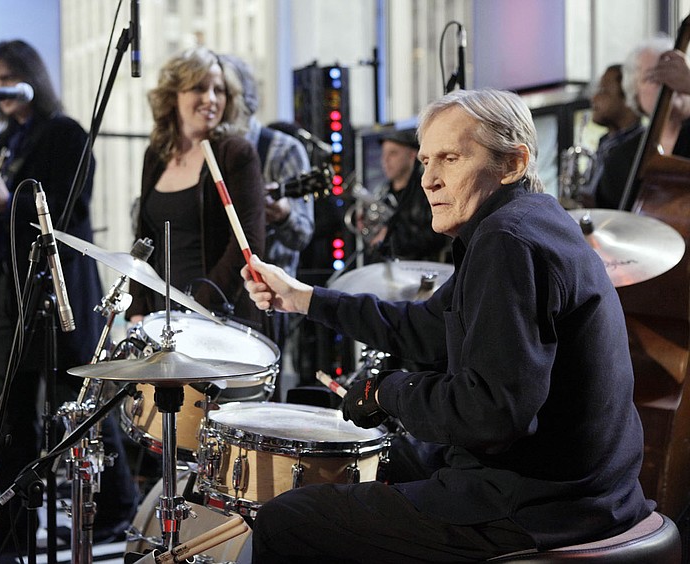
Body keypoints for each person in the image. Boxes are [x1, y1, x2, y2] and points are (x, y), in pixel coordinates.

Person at [241, 88, 653, 562]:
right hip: (589, 489)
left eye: (450, 159)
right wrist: (303, 298)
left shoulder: (507, 241)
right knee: (392, 459)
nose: (429, 180)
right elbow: (422, 328)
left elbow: (491, 415)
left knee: (286, 519)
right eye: (425, 161)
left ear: (513, 164)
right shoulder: (530, 221)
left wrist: (387, 391)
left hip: (540, 506)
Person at [0, 39, 137, 555]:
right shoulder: (4, 143)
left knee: (75, 410)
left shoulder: (65, 134)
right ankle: (11, 524)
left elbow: (66, 214)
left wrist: (6, 203)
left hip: (57, 294)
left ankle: (115, 508)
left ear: (32, 77)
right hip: (8, 296)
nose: (3, 86)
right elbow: (1, 223)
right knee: (7, 415)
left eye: (11, 76)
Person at [127, 47, 265, 332]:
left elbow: (247, 242)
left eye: (219, 90)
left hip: (219, 318)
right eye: (199, 88)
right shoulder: (156, 155)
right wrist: (137, 308)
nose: (211, 99)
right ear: (173, 95)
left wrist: (200, 306)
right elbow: (144, 237)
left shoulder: (236, 153)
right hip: (162, 318)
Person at [219, 54, 315, 400]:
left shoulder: (282, 149)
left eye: (222, 93)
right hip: (212, 292)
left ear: (242, 99)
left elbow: (303, 233)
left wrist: (283, 213)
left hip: (263, 302)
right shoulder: (206, 151)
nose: (213, 103)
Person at [595, 36, 690, 209]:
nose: (668, 82)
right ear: (634, 93)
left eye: (675, 71)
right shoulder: (621, 159)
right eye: (653, 77)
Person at [362, 129, 449, 263]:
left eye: (393, 153)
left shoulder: (428, 190)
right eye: (383, 154)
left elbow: (436, 238)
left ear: (412, 155)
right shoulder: (382, 193)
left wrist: (390, 238)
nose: (385, 160)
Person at [576, 64, 642, 207]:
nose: (594, 98)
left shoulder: (641, 148)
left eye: (603, 90)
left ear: (628, 99)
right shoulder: (605, 144)